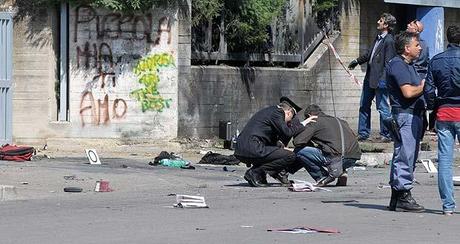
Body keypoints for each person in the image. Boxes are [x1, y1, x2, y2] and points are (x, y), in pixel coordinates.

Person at [386, 31, 425, 212]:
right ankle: (403, 194)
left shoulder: (409, 65)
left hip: (412, 114)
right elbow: (408, 93)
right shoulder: (398, 65)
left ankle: (397, 196)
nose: (420, 48)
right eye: (417, 45)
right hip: (405, 115)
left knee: (406, 154)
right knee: (405, 155)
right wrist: (425, 86)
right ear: (407, 48)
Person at [234, 97, 313, 187]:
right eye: (291, 117)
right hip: (253, 147)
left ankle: (261, 175)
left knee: (277, 152)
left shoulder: (269, 112)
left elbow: (273, 141)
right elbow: (287, 132)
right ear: (289, 112)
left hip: (244, 148)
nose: (290, 121)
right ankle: (255, 172)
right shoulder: (278, 112)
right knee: (290, 156)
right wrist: (303, 124)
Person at [425, 25, 460, 216]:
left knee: (445, 162)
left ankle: (448, 206)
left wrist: (434, 106)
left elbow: (429, 91)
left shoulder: (436, 60)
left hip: (444, 113)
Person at [348, 13, 397, 142]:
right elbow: (370, 54)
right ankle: (363, 133)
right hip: (370, 78)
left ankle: (386, 134)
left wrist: (384, 81)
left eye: (380, 21)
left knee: (383, 108)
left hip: (381, 80)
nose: (378, 22)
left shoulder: (389, 41)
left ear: (386, 25)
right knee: (364, 105)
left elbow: (389, 64)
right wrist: (357, 61)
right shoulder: (378, 37)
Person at [293, 104, 362, 186]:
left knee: (299, 151)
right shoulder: (341, 121)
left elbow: (298, 142)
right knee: (331, 146)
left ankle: (322, 177)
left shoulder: (314, 121)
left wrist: (303, 126)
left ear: (309, 116)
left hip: (335, 157)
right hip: (352, 158)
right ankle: (342, 172)